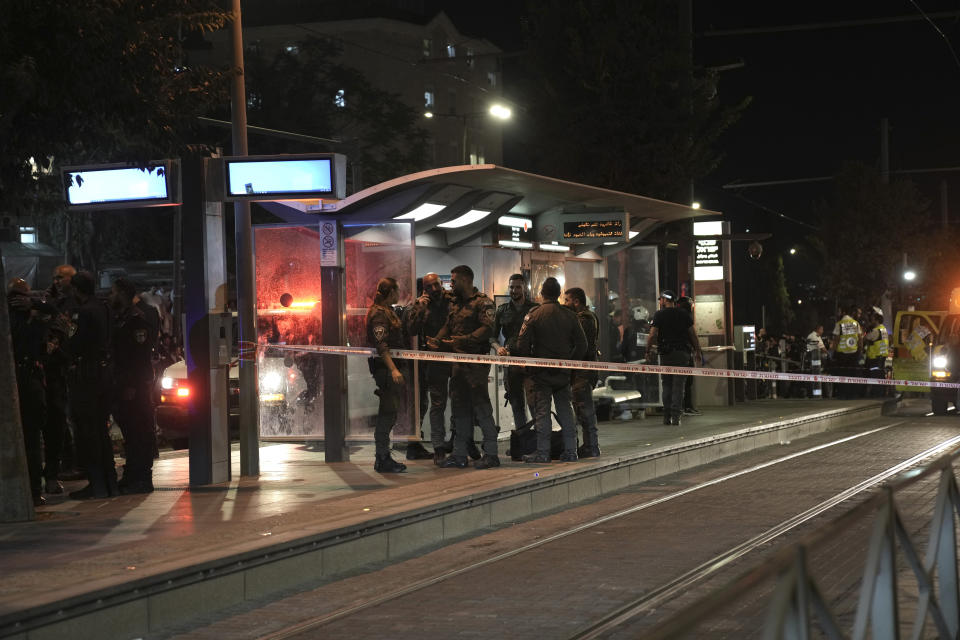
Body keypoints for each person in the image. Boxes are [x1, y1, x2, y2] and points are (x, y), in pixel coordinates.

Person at [427, 265, 500, 470]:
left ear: (467, 280)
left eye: (454, 280)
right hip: (458, 364)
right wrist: (438, 340)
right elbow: (448, 325)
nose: (451, 284)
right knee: (459, 407)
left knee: (481, 407)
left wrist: (462, 340)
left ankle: (492, 453)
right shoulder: (456, 304)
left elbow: (488, 328)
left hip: (475, 364)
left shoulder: (483, 302)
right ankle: (459, 454)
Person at [515, 277, 587, 463]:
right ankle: (571, 451)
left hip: (541, 373)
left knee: (542, 413)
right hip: (563, 373)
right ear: (558, 293)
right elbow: (582, 344)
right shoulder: (570, 315)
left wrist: (529, 364)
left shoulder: (534, 314)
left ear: (542, 293)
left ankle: (543, 452)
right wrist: (571, 363)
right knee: (565, 411)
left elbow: (521, 344)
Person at [67, 271, 118, 499]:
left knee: (89, 430)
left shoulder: (84, 311)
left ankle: (97, 483)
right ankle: (110, 482)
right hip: (104, 372)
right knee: (101, 429)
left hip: (88, 374)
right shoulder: (104, 307)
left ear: (77, 290)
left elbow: (76, 343)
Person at [110, 277, 158, 493]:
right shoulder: (123, 317)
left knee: (140, 431)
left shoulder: (138, 319)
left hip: (136, 385)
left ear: (122, 293)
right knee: (130, 431)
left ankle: (142, 477)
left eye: (113, 292)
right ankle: (131, 474)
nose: (110, 296)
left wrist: (131, 384)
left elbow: (138, 357)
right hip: (125, 382)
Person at [8, 279, 50, 505]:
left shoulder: (35, 319)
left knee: (32, 439)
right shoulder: (13, 320)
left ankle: (34, 490)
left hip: (29, 380)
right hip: (18, 381)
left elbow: (55, 314)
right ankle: (31, 490)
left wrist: (34, 303)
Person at [405, 272, 453, 464]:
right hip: (433, 361)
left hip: (454, 354)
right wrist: (421, 309)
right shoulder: (420, 305)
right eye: (428, 287)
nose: (433, 290)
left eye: (436, 285)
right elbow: (411, 329)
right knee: (437, 404)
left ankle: (459, 441)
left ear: (442, 284)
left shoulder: (453, 300)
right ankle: (438, 446)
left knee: (459, 402)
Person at [366, 278, 409, 473]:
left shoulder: (388, 311)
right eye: (397, 290)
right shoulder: (379, 314)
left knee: (390, 412)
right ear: (390, 292)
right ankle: (382, 457)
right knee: (387, 413)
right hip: (385, 371)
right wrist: (393, 369)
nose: (399, 294)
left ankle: (384, 455)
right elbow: (381, 345)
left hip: (391, 368)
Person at [646, 290, 702, 426]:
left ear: (665, 300)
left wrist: (647, 350)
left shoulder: (659, 315)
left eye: (661, 299)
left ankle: (666, 417)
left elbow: (652, 334)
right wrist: (697, 351)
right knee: (679, 386)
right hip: (682, 353)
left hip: (666, 354)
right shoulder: (683, 314)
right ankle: (676, 417)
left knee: (667, 385)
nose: (660, 301)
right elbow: (693, 334)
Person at [493, 273, 539, 430]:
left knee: (535, 404)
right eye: (511, 287)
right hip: (511, 362)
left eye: (518, 287)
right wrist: (498, 347)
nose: (514, 290)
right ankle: (524, 441)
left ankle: (541, 443)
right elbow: (492, 336)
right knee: (516, 404)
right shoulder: (502, 310)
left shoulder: (535, 309)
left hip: (531, 362)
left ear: (524, 288)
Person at [563, 287, 600, 457]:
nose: (565, 303)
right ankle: (590, 445)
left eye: (567, 300)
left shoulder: (584, 319)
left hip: (583, 370)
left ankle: (591, 446)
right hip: (584, 369)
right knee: (582, 407)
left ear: (576, 301)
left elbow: (581, 345)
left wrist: (569, 361)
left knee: (584, 408)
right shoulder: (587, 317)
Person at [829, 303, 861, 399]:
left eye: (839, 311)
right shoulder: (856, 323)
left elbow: (836, 339)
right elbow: (860, 338)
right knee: (852, 374)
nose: (838, 313)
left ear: (843, 312)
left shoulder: (839, 324)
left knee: (842, 374)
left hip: (842, 355)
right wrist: (860, 351)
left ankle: (842, 394)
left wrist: (832, 352)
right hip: (854, 354)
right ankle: (852, 394)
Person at [677, 296, 701, 416]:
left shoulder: (673, 316)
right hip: (685, 353)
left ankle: (678, 407)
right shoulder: (686, 316)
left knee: (674, 382)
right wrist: (698, 350)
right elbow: (693, 335)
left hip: (671, 353)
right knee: (687, 381)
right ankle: (686, 407)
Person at [862, 307, 890, 397]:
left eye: (873, 319)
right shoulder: (883, 329)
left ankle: (875, 394)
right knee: (880, 377)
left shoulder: (876, 331)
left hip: (875, 358)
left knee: (874, 377)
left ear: (877, 319)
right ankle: (880, 394)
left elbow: (864, 338)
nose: (871, 320)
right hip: (881, 357)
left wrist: (866, 331)